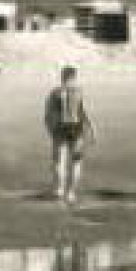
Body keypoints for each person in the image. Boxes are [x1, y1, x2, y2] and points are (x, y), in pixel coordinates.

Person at [44, 65, 96, 204]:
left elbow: (48, 113)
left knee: (58, 160)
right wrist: (92, 128)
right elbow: (84, 111)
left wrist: (50, 129)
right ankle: (71, 192)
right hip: (76, 128)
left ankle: (59, 189)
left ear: (62, 76)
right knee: (76, 161)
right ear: (74, 76)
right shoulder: (79, 91)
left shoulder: (55, 92)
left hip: (60, 128)